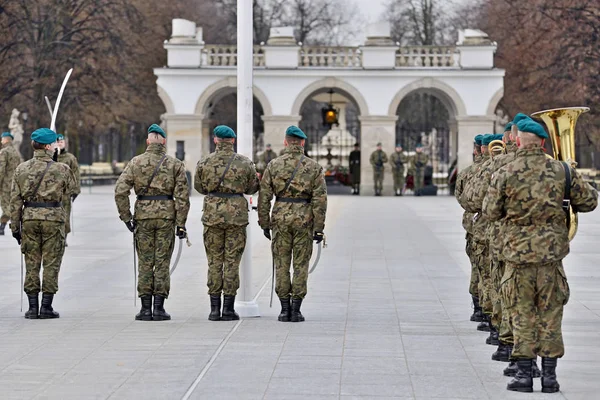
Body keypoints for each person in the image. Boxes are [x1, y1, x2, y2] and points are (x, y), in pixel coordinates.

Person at [483, 119, 597, 393]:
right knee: (550, 313)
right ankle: (549, 377)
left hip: (517, 258)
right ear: (543, 143)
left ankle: (524, 376)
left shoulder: (505, 171)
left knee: (520, 312)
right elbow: (590, 201)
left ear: (518, 142)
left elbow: (489, 210)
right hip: (550, 258)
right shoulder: (562, 171)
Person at [114, 124, 190, 321]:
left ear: (148, 141)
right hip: (166, 217)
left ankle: (145, 308)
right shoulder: (175, 164)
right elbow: (182, 197)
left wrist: (126, 217)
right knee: (162, 262)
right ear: (163, 141)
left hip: (143, 217)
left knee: (145, 262)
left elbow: (120, 191)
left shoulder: (135, 162)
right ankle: (159, 308)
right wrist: (181, 224)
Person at [258, 126, 327, 322]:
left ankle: (283, 308)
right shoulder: (313, 167)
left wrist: (264, 222)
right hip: (304, 218)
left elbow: (264, 196)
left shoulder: (274, 164)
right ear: (303, 143)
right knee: (301, 264)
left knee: (281, 263)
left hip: (280, 218)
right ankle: (296, 309)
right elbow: (320, 200)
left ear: (286, 142)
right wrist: (319, 228)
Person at [194, 125, 259, 321]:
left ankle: (214, 309)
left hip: (212, 215)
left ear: (215, 140)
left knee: (214, 261)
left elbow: (199, 187)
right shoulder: (244, 163)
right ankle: (229, 309)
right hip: (236, 217)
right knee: (232, 262)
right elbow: (252, 188)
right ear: (233, 141)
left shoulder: (205, 162)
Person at [9, 128, 75, 319]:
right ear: (47, 146)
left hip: (29, 218)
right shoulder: (62, 168)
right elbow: (69, 190)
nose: (56, 146)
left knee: (31, 262)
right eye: (54, 143)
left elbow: (15, 201)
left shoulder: (21, 168)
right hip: (53, 219)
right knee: (51, 262)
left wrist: (15, 227)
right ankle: (46, 307)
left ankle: (32, 308)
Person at [455, 134, 484, 322]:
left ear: (477, 150)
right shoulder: (558, 169)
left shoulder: (471, 172)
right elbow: (587, 201)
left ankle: (483, 311)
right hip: (551, 244)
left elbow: (463, 198)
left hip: (484, 229)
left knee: (482, 270)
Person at [56, 134, 81, 245]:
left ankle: (64, 237)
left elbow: (76, 174)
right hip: (53, 192)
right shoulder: (51, 157)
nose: (59, 143)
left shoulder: (70, 158)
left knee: (65, 215)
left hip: (65, 192)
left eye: (61, 142)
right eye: (57, 142)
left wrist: (75, 190)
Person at [0, 132, 22, 235]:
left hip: (5, 184)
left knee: (5, 206)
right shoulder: (15, 152)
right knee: (11, 205)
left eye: (2, 139)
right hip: (14, 184)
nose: (1, 141)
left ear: (6, 140)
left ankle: (7, 226)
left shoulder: (4, 152)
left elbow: (1, 169)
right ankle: (5, 226)